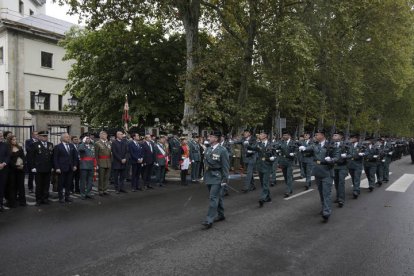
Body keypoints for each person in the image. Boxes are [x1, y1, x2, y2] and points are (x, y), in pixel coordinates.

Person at [299, 129, 339, 222]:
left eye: (317, 135)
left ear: (322, 135)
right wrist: (303, 149)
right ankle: (324, 208)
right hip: (317, 171)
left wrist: (331, 159)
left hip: (327, 171)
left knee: (326, 193)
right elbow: (309, 149)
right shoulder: (314, 144)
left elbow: (337, 156)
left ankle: (327, 212)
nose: (315, 136)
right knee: (321, 192)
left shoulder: (331, 145)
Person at [201, 131, 230, 230]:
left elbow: (225, 165)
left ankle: (209, 219)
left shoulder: (222, 150)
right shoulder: (208, 149)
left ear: (216, 139)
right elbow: (206, 163)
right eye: (209, 136)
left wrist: (225, 178)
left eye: (211, 136)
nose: (209, 138)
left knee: (213, 197)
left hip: (217, 176)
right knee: (217, 197)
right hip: (209, 176)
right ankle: (221, 215)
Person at [247, 130, 275, 207]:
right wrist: (247, 144)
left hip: (267, 166)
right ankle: (268, 197)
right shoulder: (258, 144)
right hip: (260, 166)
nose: (260, 135)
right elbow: (252, 148)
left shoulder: (271, 144)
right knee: (263, 183)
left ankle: (262, 198)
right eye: (260, 134)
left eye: (261, 134)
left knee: (265, 183)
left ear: (265, 135)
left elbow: (275, 154)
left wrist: (273, 158)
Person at [27, 131, 54, 206]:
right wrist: (33, 167)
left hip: (48, 168)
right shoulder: (34, 145)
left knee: (46, 185)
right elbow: (31, 157)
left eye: (46, 136)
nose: (45, 137)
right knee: (39, 185)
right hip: (38, 168)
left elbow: (52, 157)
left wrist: (52, 167)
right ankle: (38, 199)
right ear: (39, 137)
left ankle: (45, 198)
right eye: (43, 136)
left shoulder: (50, 144)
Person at [54, 133, 78, 203]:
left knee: (69, 183)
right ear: (62, 138)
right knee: (61, 183)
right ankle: (61, 197)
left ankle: (67, 196)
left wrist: (75, 165)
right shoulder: (58, 147)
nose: (68, 138)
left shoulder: (71, 146)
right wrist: (57, 167)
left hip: (70, 168)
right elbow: (55, 158)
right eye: (67, 137)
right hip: (61, 168)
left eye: (68, 137)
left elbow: (75, 157)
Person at [5, 135, 26, 207]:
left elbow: (23, 157)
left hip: (20, 169)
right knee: (12, 186)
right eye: (13, 139)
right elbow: (8, 159)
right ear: (9, 140)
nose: (15, 141)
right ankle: (12, 202)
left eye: (15, 139)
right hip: (12, 170)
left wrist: (22, 164)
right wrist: (15, 166)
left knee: (21, 186)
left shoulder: (19, 148)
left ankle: (22, 202)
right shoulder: (7, 148)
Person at [332, 131, 350, 208]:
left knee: (341, 183)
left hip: (342, 166)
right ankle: (338, 196)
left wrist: (346, 156)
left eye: (336, 135)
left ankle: (341, 199)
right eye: (333, 135)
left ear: (340, 137)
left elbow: (351, 154)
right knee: (336, 183)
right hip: (334, 166)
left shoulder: (346, 144)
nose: (334, 137)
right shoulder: (331, 145)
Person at [276, 131, 297, 198]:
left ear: (289, 136)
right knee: (285, 176)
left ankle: (288, 190)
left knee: (289, 175)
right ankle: (289, 188)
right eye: (283, 135)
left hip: (290, 161)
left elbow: (297, 150)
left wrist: (294, 154)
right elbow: (277, 148)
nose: (284, 136)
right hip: (283, 161)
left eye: (285, 135)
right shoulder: (281, 142)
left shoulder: (293, 142)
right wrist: (277, 150)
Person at [95, 131, 112, 196]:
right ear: (100, 135)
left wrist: (111, 161)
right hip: (101, 162)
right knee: (101, 177)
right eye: (103, 134)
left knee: (107, 177)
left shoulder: (109, 143)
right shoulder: (97, 143)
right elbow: (96, 154)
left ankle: (105, 189)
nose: (105, 135)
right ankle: (100, 190)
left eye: (105, 134)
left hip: (108, 162)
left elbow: (110, 153)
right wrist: (97, 163)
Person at [347, 133, 364, 199]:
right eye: (350, 138)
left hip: (357, 164)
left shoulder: (361, 145)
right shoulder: (349, 145)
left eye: (352, 138)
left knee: (356, 178)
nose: (351, 139)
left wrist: (362, 154)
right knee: (353, 177)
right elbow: (348, 153)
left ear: (356, 139)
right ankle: (357, 188)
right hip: (351, 164)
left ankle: (356, 191)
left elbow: (364, 152)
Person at [0, 130, 10, 212]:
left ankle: (0, 205)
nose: (1, 136)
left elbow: (8, 156)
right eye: (0, 135)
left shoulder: (5, 145)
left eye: (1, 135)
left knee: (2, 187)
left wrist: (3, 163)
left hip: (3, 169)